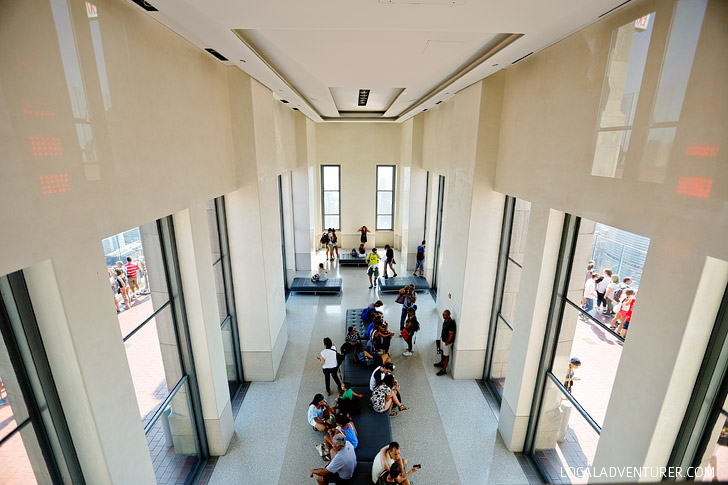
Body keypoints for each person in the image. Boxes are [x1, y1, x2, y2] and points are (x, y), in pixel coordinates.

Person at [434, 310, 456, 376]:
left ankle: (444, 370)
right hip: (442, 340)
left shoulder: (451, 323)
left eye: (445, 314)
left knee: (446, 355)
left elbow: (451, 334)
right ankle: (441, 363)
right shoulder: (445, 321)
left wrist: (447, 342)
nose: (443, 316)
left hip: (447, 342)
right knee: (442, 352)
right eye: (443, 314)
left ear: (449, 315)